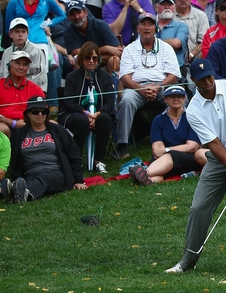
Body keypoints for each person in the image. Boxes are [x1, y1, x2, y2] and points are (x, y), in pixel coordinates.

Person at [164, 57, 226, 278]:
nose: (207, 82)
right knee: (198, 207)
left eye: (209, 76)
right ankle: (188, 261)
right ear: (193, 81)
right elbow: (214, 143)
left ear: (213, 73)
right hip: (218, 159)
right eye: (201, 79)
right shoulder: (194, 109)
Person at [115, 13, 182, 156]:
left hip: (162, 87)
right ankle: (122, 145)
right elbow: (125, 77)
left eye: (150, 24)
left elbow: (174, 75)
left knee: (179, 96)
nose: (147, 28)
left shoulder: (166, 48)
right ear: (137, 28)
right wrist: (141, 89)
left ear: (156, 28)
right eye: (143, 24)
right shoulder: (129, 49)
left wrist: (158, 87)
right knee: (126, 100)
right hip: (135, 88)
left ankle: (182, 137)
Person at [3, 97, 86, 204]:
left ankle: (21, 192)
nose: (40, 114)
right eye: (35, 111)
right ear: (28, 114)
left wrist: (78, 180)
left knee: (44, 177)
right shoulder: (20, 134)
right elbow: (14, 159)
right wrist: (16, 177)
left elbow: (74, 155)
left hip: (56, 174)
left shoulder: (58, 131)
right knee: (34, 180)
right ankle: (19, 192)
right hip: (31, 175)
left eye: (44, 111)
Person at [129, 85, 202, 185]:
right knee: (157, 173)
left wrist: (167, 150)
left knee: (169, 156)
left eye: (179, 96)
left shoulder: (192, 117)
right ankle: (147, 181)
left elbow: (192, 147)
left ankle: (144, 173)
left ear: (184, 98)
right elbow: (157, 147)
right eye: (172, 96)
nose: (176, 99)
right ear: (165, 99)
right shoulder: (158, 120)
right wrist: (163, 151)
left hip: (188, 158)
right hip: (164, 157)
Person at [58, 41, 114, 173]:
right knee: (81, 120)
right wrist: (84, 113)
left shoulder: (105, 77)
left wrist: (97, 114)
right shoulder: (72, 77)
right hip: (75, 115)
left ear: (98, 60)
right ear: (81, 59)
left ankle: (98, 161)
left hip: (98, 115)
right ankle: (76, 160)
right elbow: (68, 102)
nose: (91, 61)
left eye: (94, 58)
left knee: (106, 118)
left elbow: (110, 102)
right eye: (87, 57)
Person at [0, 19, 48, 92]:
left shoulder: (37, 51)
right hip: (9, 91)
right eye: (17, 31)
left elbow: (40, 78)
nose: (20, 34)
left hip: (31, 92)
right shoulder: (7, 52)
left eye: (23, 31)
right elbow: (3, 74)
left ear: (27, 33)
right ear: (10, 34)